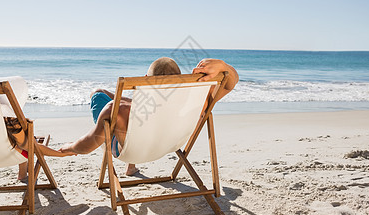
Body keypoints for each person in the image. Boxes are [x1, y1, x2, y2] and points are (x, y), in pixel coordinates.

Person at [59, 57, 239, 176]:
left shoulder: (118, 110)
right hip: (168, 144)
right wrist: (222, 66)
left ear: (146, 79)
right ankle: (132, 167)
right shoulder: (198, 103)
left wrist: (67, 147)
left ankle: (131, 163)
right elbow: (231, 83)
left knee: (98, 93)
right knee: (131, 105)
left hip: (130, 149)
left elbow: (87, 145)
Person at [0, 70, 74, 181]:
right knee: (26, 142)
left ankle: (22, 173)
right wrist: (61, 154)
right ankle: (22, 175)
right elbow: (30, 146)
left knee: (16, 142)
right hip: (2, 155)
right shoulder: (6, 119)